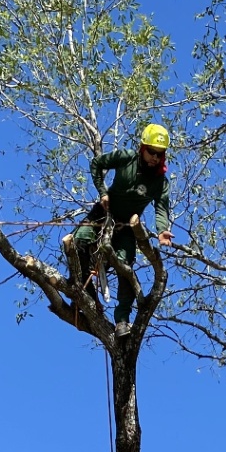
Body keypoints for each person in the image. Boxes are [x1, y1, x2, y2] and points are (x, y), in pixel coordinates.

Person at [65, 124, 172, 333]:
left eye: (160, 154)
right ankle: (83, 294)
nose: (155, 158)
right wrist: (103, 192)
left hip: (126, 229)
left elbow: (161, 209)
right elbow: (97, 163)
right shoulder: (127, 157)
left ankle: (122, 320)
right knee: (78, 241)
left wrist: (162, 230)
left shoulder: (160, 182)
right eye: (152, 152)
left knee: (125, 266)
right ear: (143, 148)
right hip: (103, 215)